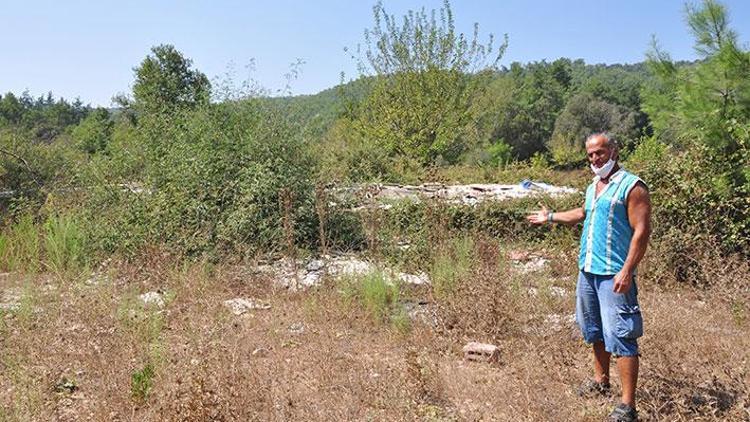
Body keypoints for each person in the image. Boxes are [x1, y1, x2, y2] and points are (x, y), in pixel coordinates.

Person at [527, 133, 651, 422]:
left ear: (614, 151)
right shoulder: (594, 186)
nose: (595, 159)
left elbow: (642, 231)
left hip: (613, 274)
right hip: (588, 271)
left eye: (600, 152)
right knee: (593, 329)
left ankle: (627, 406)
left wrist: (627, 270)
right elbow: (582, 213)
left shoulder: (632, 186)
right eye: (591, 155)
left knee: (621, 334)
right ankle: (600, 381)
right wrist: (550, 217)